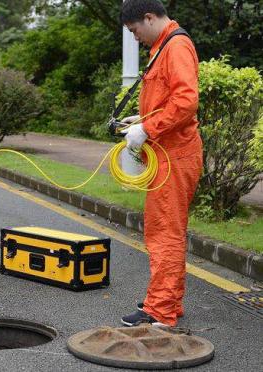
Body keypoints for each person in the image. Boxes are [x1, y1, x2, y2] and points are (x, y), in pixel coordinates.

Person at [119, 0, 203, 327]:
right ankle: (168, 300)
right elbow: (167, 99)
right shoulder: (163, 45)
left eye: (135, 30)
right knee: (166, 229)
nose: (135, 37)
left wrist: (148, 128)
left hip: (176, 154)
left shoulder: (176, 46)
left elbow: (185, 101)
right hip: (168, 152)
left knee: (164, 233)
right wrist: (141, 119)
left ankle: (161, 311)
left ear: (149, 18)